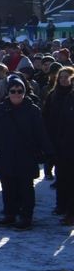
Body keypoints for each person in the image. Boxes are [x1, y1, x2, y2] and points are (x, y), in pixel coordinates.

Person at [0, 76, 53, 230]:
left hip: (26, 154)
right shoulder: (1, 109)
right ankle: (10, 213)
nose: (16, 94)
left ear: (25, 92)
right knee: (8, 186)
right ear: (8, 92)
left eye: (20, 91)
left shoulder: (32, 110)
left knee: (26, 188)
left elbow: (41, 133)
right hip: (5, 153)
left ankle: (26, 216)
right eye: (13, 91)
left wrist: (49, 151)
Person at [44, 67, 74, 223]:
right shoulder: (53, 95)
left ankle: (70, 211)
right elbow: (47, 117)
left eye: (67, 77)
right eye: (61, 77)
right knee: (60, 176)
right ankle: (60, 205)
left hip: (71, 143)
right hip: (57, 142)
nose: (64, 79)